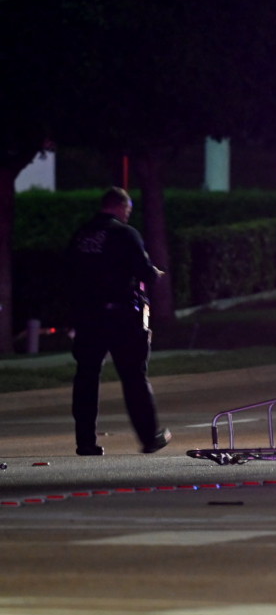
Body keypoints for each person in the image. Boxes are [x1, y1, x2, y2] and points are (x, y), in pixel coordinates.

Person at [66, 187, 171, 456]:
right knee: (134, 376)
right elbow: (143, 270)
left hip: (88, 316)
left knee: (86, 376)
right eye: (127, 210)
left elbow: (67, 273)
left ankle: (85, 441)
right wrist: (155, 274)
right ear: (120, 206)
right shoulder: (125, 233)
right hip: (122, 315)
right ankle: (149, 437)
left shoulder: (81, 234)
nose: (127, 215)